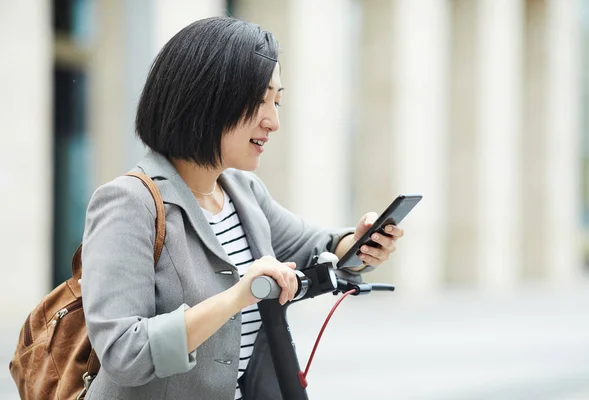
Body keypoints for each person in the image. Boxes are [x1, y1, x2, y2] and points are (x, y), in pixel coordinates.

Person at [80, 16, 404, 400]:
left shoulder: (243, 192)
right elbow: (123, 352)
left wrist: (360, 242)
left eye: (277, 101)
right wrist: (238, 295)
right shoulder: (128, 203)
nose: (274, 121)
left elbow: (319, 246)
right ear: (205, 100)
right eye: (258, 101)